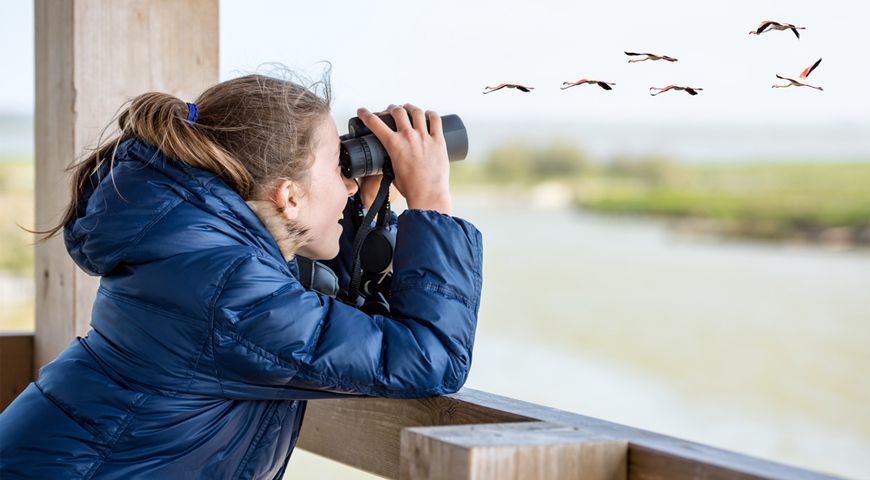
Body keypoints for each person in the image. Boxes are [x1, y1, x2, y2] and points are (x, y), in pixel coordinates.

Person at [0, 72, 483, 478]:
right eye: (340, 169)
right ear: (288, 195)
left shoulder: (200, 252)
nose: (351, 180)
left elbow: (338, 325)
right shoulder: (227, 290)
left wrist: (367, 209)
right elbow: (428, 357)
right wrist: (433, 201)